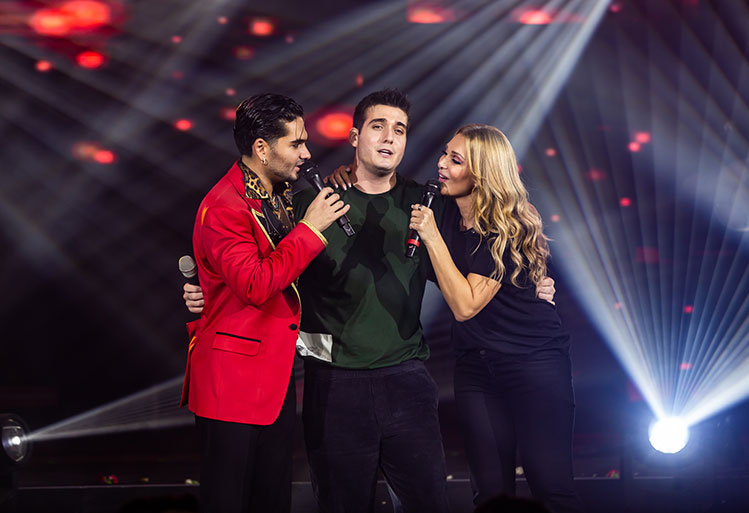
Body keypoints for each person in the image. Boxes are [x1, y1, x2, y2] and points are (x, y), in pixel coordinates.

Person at [183, 89, 556, 513]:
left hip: (408, 381)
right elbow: (261, 270)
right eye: (378, 126)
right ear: (355, 136)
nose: (389, 137)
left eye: (400, 129)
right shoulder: (307, 204)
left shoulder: (429, 205)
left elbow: (487, 253)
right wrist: (204, 291)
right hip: (332, 384)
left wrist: (536, 283)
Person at [181, 92, 350, 513]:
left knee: (272, 501)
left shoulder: (279, 193)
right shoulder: (224, 206)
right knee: (230, 501)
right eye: (296, 143)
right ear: (261, 148)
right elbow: (255, 284)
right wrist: (310, 229)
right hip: (233, 383)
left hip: (274, 378)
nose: (306, 153)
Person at [407, 124, 584, 512]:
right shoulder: (442, 207)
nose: (442, 165)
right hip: (476, 366)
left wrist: (432, 237)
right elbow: (388, 187)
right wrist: (345, 173)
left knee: (550, 487)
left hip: (533, 363)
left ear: (482, 172)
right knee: (489, 493)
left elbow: (465, 306)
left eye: (456, 160)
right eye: (445, 153)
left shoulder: (508, 223)